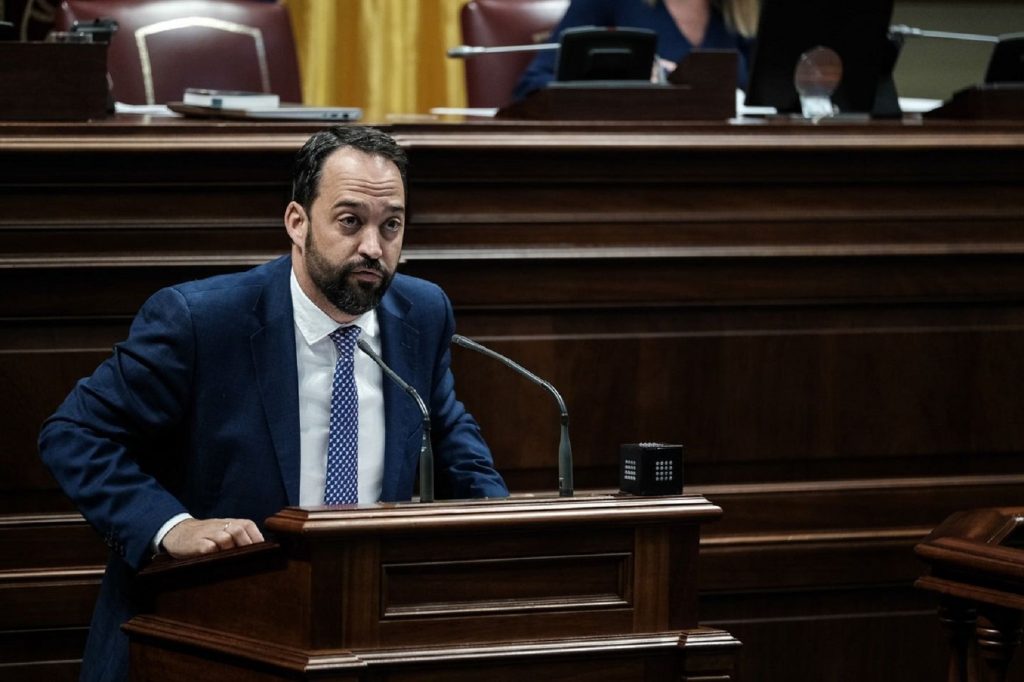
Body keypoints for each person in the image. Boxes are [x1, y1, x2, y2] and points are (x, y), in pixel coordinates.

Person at [38, 125, 508, 682]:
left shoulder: (422, 313)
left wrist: (506, 532)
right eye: (350, 221)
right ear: (297, 222)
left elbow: (452, 441)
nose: (373, 248)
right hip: (203, 630)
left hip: (360, 635)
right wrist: (170, 526)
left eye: (392, 226)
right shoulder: (202, 321)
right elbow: (74, 433)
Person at [512, 0, 758, 100]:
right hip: (631, 161)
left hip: (731, 158)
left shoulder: (745, 13)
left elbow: (766, 96)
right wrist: (623, 81)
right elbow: (532, 87)